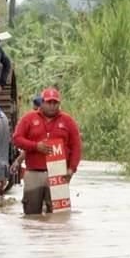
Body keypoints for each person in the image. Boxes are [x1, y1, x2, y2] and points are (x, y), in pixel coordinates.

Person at [11, 87, 82, 215]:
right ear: (42, 103)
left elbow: (76, 146)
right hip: (34, 172)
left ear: (59, 104)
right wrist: (35, 146)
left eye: (55, 103)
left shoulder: (68, 121)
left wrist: (71, 169)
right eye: (49, 102)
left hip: (58, 174)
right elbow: (17, 139)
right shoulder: (29, 118)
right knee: (31, 215)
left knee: (59, 216)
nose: (52, 106)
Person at [8, 94, 43, 176]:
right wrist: (17, 162)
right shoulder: (32, 122)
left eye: (36, 109)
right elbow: (29, 149)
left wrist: (17, 162)